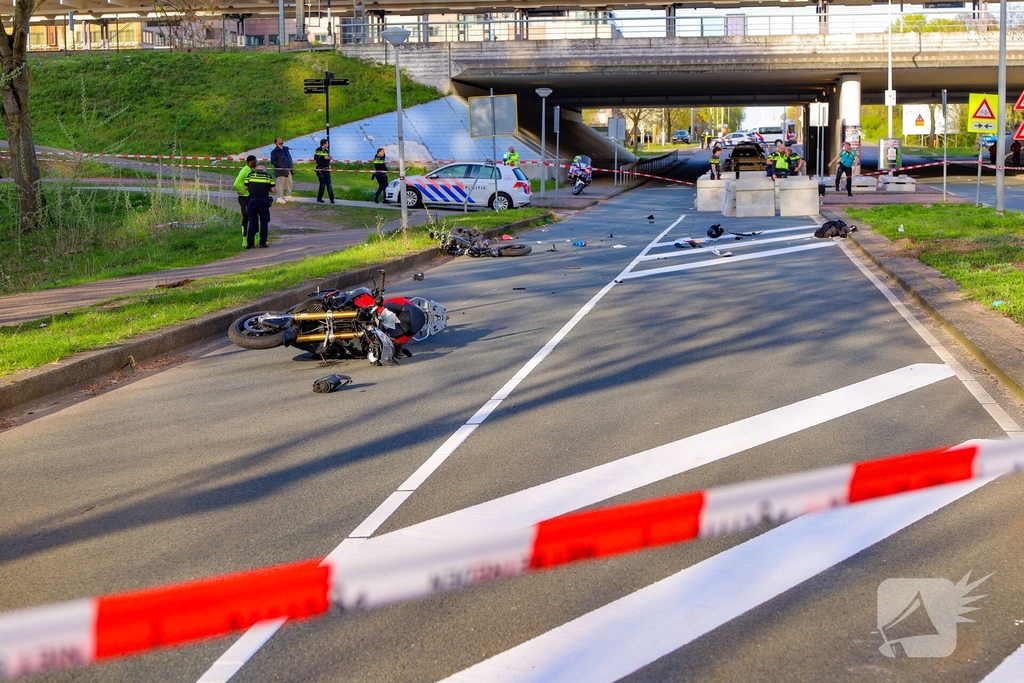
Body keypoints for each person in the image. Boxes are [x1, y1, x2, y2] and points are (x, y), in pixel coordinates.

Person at [244, 164, 275, 249]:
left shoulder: (250, 175)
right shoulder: (268, 176)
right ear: (264, 170)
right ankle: (263, 243)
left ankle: (250, 244)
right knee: (264, 222)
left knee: (252, 221)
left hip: (252, 201)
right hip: (264, 201)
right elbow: (273, 190)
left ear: (257, 169)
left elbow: (245, 187)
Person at [233, 155, 257, 239]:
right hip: (244, 197)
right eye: (255, 162)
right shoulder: (244, 171)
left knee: (254, 216)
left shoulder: (251, 170)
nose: (256, 163)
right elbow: (236, 184)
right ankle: (244, 237)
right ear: (251, 162)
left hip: (251, 196)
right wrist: (243, 191)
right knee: (245, 216)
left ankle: (255, 237)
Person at [269, 137, 294, 203]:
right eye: (279, 139)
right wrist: (280, 166)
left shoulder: (286, 149)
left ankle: (288, 196)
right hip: (280, 170)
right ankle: (279, 197)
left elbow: (289, 158)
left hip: (288, 169)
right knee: (280, 184)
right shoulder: (274, 151)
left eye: (281, 139)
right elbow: (273, 161)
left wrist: (291, 166)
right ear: (276, 142)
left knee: (289, 183)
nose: (281, 140)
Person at [314, 139, 335, 204]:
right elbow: (316, 158)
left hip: (327, 169)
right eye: (327, 143)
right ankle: (319, 198)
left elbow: (327, 158)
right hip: (320, 169)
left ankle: (332, 199)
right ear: (324, 144)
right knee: (322, 184)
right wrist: (323, 158)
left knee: (329, 184)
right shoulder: (318, 150)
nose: (328, 144)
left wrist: (329, 158)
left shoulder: (326, 150)